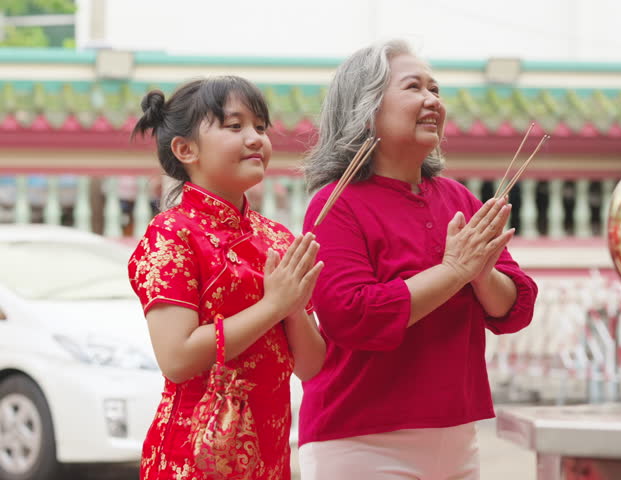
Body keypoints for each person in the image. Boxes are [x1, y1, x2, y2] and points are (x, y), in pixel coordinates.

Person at [299, 40, 539, 479]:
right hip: (361, 439)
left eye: (436, 89)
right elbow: (351, 315)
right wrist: (453, 272)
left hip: (456, 434)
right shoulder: (336, 204)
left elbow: (516, 307)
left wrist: (483, 277)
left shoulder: (458, 198)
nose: (432, 100)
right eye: (414, 87)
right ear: (367, 107)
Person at [127, 76, 325, 479]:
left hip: (269, 458)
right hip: (192, 458)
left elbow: (310, 365)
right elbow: (178, 358)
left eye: (260, 127)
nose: (255, 138)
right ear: (185, 150)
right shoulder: (172, 233)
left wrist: (290, 309)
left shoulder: (278, 238)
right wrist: (274, 305)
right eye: (235, 126)